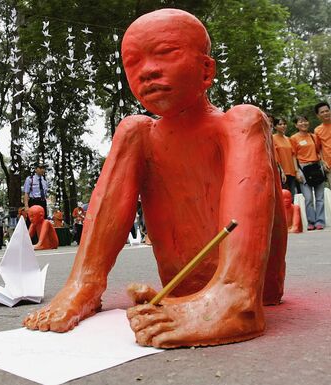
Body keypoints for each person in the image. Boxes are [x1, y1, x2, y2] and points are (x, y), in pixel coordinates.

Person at [24, 9, 286, 349]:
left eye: (166, 54)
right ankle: (85, 282)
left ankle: (235, 295)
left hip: (253, 282)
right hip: (181, 286)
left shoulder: (236, 125)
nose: (147, 71)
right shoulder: (142, 136)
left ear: (207, 70)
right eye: (133, 62)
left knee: (248, 118)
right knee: (132, 128)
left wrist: (238, 289)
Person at [290, 115, 325, 230]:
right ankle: (311, 221)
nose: (303, 123)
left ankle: (320, 221)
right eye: (300, 122)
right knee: (308, 198)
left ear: (308, 123)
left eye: (305, 121)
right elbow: (293, 155)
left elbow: (319, 150)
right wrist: (296, 171)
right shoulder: (294, 138)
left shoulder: (314, 136)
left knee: (320, 197)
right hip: (303, 168)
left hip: (316, 166)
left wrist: (323, 162)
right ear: (296, 125)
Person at [272, 118, 298, 198]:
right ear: (275, 126)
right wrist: (281, 171)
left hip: (292, 172)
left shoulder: (288, 139)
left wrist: (296, 171)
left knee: (292, 196)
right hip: (282, 173)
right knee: (283, 197)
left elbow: (293, 155)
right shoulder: (273, 138)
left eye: (284, 124)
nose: (283, 126)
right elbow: (275, 156)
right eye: (280, 124)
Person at [314, 101, 331, 186]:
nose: (325, 113)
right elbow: (319, 148)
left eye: (327, 111)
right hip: (329, 165)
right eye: (322, 112)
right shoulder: (317, 130)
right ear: (318, 115)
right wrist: (323, 162)